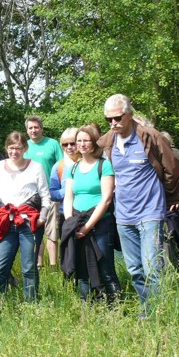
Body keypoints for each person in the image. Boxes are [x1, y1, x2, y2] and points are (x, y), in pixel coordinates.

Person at [97, 94, 179, 310]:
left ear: (129, 114)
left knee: (152, 267)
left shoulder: (150, 137)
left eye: (117, 118)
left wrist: (168, 195)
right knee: (134, 268)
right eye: (108, 120)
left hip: (150, 212)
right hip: (123, 215)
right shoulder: (108, 142)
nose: (113, 124)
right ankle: (147, 309)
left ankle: (158, 314)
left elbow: (172, 169)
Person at [0, 131, 51, 302]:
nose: (14, 152)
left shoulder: (36, 167)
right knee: (1, 266)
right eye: (11, 148)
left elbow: (45, 196)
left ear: (25, 148)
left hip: (29, 224)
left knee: (29, 267)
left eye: (18, 148)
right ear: (6, 148)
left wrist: (42, 218)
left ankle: (31, 305)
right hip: (6, 223)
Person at [62, 124, 121, 301]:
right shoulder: (73, 168)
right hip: (77, 223)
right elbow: (68, 197)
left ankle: (115, 307)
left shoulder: (104, 166)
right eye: (78, 140)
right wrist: (70, 223)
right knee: (82, 270)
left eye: (85, 140)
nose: (81, 144)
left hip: (100, 225)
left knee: (105, 268)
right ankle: (87, 308)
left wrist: (87, 227)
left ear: (94, 142)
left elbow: (106, 199)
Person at [24, 116, 63, 267]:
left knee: (52, 231)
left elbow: (61, 166)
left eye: (36, 127)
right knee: (35, 231)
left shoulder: (52, 144)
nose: (33, 130)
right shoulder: (24, 146)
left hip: (51, 194)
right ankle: (38, 265)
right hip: (32, 197)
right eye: (30, 128)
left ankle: (53, 266)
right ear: (27, 130)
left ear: (41, 128)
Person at [49, 127, 80, 235]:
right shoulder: (59, 166)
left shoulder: (91, 163)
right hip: (65, 215)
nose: (69, 147)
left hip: (87, 214)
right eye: (65, 144)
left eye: (72, 143)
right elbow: (52, 193)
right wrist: (68, 190)